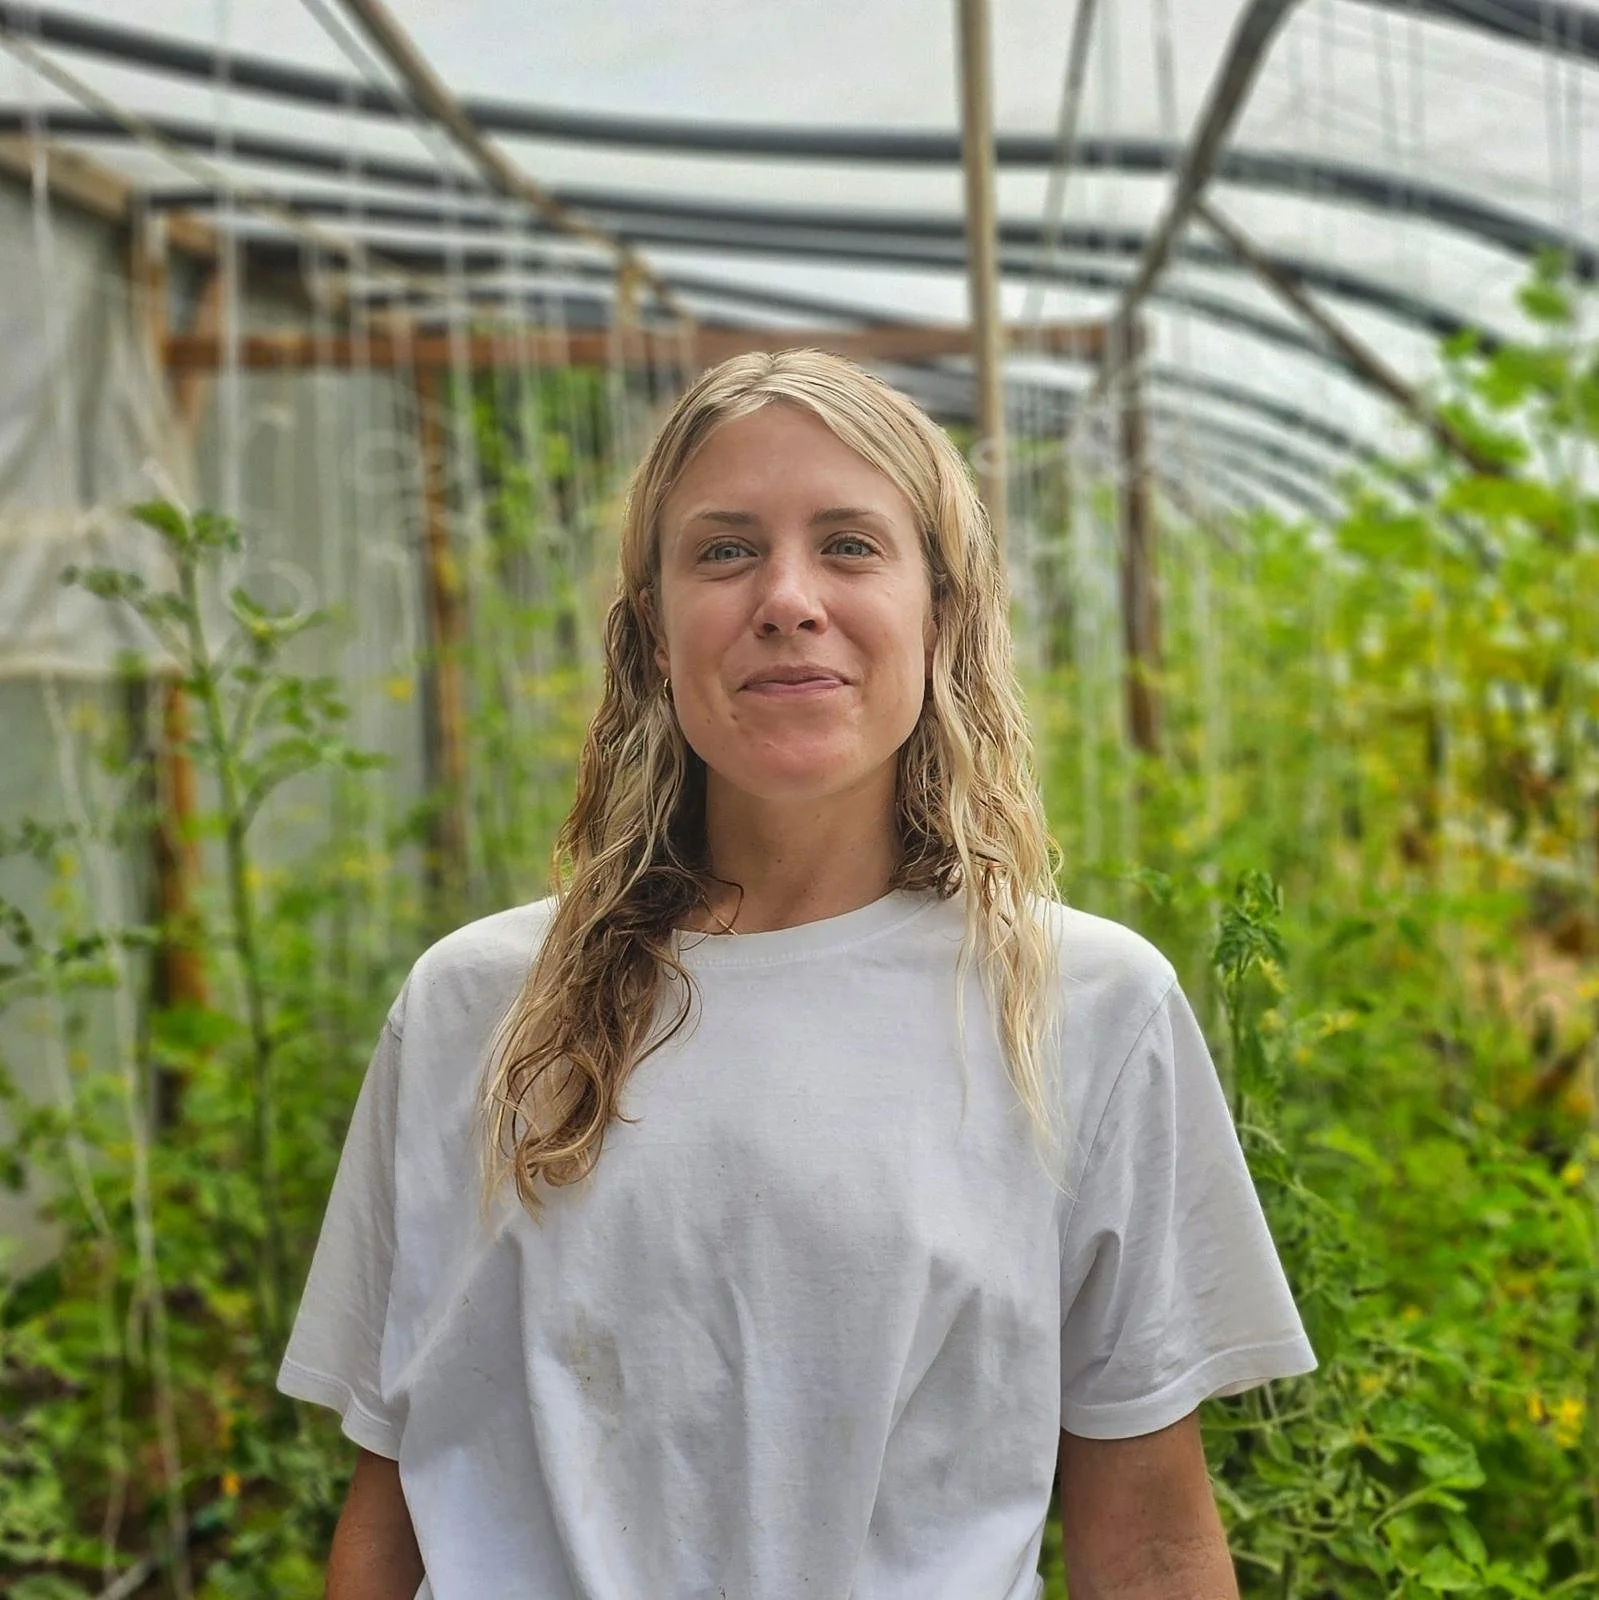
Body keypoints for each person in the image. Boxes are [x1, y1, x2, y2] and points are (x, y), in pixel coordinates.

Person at [278, 349, 1317, 1600]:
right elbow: (396, 1505)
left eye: (849, 545)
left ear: (944, 612)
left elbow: (1147, 1539)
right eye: (724, 550)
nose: (786, 598)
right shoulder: (473, 1007)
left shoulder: (1080, 1006)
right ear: (653, 631)